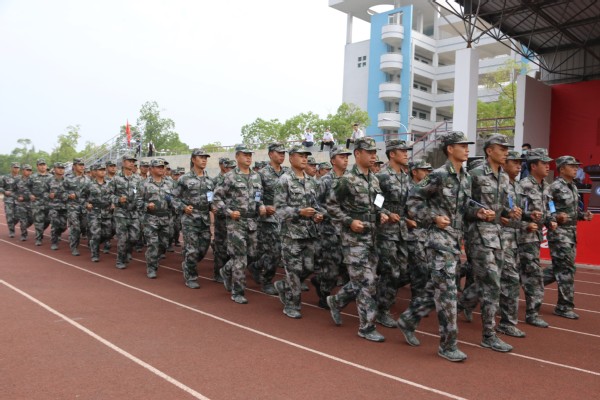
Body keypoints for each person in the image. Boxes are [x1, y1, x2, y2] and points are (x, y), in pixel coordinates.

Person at [396, 131, 487, 362]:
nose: (467, 149)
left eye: (467, 145)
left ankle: (408, 319)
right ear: (450, 149)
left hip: (455, 241)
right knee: (447, 294)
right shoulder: (437, 175)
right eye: (462, 145)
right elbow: (413, 201)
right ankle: (448, 345)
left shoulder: (465, 177)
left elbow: (464, 206)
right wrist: (433, 217)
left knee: (437, 287)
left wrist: (478, 212)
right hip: (438, 241)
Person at [326, 136, 390, 343]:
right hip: (354, 240)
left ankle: (336, 301)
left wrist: (383, 213)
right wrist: (349, 221)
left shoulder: (374, 179)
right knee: (366, 282)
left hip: (372, 237)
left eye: (374, 152)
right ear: (357, 154)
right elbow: (331, 206)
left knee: (364, 280)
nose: (373, 156)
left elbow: (378, 202)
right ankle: (366, 326)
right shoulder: (346, 180)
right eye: (369, 152)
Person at [458, 134, 517, 353]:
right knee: (491, 284)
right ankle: (489, 335)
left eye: (507, 149)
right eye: (502, 148)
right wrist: (478, 212)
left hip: (498, 237)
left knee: (492, 282)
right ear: (489, 151)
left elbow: (501, 207)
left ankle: (458, 304)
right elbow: (461, 204)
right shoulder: (474, 175)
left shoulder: (504, 177)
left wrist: (509, 211)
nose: (506, 152)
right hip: (478, 237)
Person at [213, 145, 267, 304]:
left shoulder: (256, 176)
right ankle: (238, 291)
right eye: (245, 155)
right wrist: (229, 212)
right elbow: (216, 198)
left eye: (250, 155)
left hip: (252, 222)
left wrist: (261, 205)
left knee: (252, 254)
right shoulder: (229, 177)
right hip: (236, 223)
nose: (248, 158)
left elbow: (258, 196)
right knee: (240, 257)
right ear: (237, 157)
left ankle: (226, 269)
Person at [274, 145, 323, 318]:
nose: (304, 159)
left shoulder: (311, 181)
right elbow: (279, 209)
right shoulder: (284, 180)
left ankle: (284, 286)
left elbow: (315, 205)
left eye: (306, 156)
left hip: (308, 232)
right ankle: (291, 304)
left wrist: (318, 214)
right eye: (300, 155)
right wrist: (299, 212)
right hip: (291, 233)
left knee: (309, 267)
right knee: (293, 270)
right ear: (291, 158)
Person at [543, 156, 594, 319]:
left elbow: (572, 210)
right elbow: (547, 208)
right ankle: (564, 306)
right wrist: (556, 216)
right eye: (572, 166)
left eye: (576, 166)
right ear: (562, 168)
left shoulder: (573, 186)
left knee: (561, 268)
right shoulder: (555, 187)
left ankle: (530, 282)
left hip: (571, 233)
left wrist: (583, 215)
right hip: (559, 233)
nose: (576, 168)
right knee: (566, 269)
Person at [374, 139, 413, 329]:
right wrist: (387, 213)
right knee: (390, 271)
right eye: (402, 151)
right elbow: (375, 203)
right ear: (392, 154)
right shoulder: (382, 177)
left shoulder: (405, 176)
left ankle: (380, 295)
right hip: (386, 232)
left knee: (403, 271)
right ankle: (382, 309)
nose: (406, 154)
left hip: (402, 231)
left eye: (407, 151)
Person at [518, 148, 556, 328]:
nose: (548, 166)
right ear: (533, 166)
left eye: (548, 163)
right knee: (534, 275)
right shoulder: (523, 186)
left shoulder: (546, 186)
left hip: (535, 237)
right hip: (522, 236)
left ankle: (466, 303)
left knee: (518, 275)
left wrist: (552, 220)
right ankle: (532, 314)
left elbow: (550, 208)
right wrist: (527, 220)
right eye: (544, 163)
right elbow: (514, 211)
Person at [311, 146, 352, 309]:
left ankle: (321, 281)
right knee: (331, 266)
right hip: (329, 230)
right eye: (342, 157)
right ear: (333, 160)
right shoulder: (325, 181)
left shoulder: (350, 178)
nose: (346, 159)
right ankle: (324, 293)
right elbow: (315, 202)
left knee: (345, 265)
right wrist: (327, 214)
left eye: (347, 157)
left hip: (347, 230)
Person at [172, 149, 214, 289]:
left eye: (205, 158)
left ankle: (188, 263)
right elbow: (174, 198)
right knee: (192, 250)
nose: (204, 160)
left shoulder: (209, 180)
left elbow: (211, 199)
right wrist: (183, 207)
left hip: (204, 219)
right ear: (193, 159)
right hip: (190, 219)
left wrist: (213, 207)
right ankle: (191, 276)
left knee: (203, 248)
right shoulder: (184, 179)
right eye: (201, 157)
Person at [255, 143, 289, 295]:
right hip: (269, 219)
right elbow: (256, 195)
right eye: (279, 152)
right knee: (275, 251)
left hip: (285, 217)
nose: (282, 155)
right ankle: (266, 281)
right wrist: (262, 206)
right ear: (270, 154)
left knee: (283, 251)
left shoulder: (287, 172)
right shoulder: (262, 174)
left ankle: (256, 266)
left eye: (283, 153)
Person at [404, 159, 433, 326]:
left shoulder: (428, 189)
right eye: (424, 170)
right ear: (414, 172)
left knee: (422, 269)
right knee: (420, 268)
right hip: (412, 233)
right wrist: (405, 220)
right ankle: (417, 301)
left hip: (428, 233)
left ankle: (419, 300)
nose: (428, 173)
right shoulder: (406, 188)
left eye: (429, 171)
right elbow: (395, 208)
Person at [137, 158, 175, 279]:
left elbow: (175, 199)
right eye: (158, 167)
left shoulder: (169, 184)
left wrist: (173, 203)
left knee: (164, 244)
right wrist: (146, 205)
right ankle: (151, 267)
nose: (161, 169)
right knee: (153, 244)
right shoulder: (144, 184)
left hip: (165, 218)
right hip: (150, 218)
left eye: (162, 167)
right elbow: (137, 202)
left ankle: (155, 259)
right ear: (151, 169)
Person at [109, 154, 141, 269]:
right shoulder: (116, 178)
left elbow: (141, 194)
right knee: (122, 238)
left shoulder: (138, 179)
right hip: (121, 212)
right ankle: (120, 260)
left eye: (133, 161)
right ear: (123, 162)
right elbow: (108, 195)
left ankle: (128, 252)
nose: (132, 163)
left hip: (134, 212)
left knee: (134, 237)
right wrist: (117, 199)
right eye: (129, 161)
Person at [81, 163, 114, 262]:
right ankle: (95, 254)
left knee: (107, 234)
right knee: (95, 234)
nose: (103, 172)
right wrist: (86, 204)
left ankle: (94, 243)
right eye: (100, 170)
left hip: (106, 212)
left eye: (104, 170)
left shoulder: (110, 184)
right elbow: (81, 196)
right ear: (95, 172)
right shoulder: (89, 184)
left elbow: (114, 195)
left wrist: (114, 203)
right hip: (94, 213)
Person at [211, 157, 234, 282]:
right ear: (223, 167)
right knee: (221, 245)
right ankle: (218, 272)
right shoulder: (216, 180)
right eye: (229, 167)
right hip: (221, 216)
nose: (231, 169)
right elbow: (210, 194)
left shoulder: (235, 179)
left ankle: (228, 270)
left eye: (233, 167)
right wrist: (212, 206)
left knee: (232, 245)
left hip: (234, 217)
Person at [64, 158, 89, 256]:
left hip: (84, 207)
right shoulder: (67, 178)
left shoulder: (87, 179)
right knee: (76, 227)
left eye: (83, 165)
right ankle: (74, 247)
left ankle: (75, 238)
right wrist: (68, 195)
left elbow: (91, 193)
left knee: (84, 226)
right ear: (74, 166)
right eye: (80, 165)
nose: (82, 167)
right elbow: (61, 192)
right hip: (72, 206)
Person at [28, 159, 52, 246]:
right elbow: (26, 188)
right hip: (37, 203)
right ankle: (38, 238)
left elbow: (55, 188)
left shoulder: (51, 177)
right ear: (37, 166)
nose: (42, 166)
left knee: (48, 220)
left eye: (44, 165)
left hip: (48, 203)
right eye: (40, 165)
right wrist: (30, 194)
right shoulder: (32, 177)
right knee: (38, 221)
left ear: (46, 166)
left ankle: (41, 231)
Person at [47, 162, 69, 250]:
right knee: (55, 224)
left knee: (63, 226)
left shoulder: (68, 181)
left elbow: (71, 192)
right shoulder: (49, 180)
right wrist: (48, 195)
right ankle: (54, 242)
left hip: (64, 206)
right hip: (53, 206)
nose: (61, 170)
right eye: (59, 168)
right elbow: (43, 192)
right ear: (54, 169)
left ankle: (58, 233)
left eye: (62, 168)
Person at [14, 164, 34, 241]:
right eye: (27, 170)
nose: (29, 172)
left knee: (32, 219)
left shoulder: (33, 180)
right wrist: (17, 197)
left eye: (30, 170)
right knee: (23, 220)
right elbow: (13, 191)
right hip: (21, 204)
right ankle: (23, 234)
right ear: (23, 171)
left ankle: (24, 227)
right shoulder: (17, 180)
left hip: (31, 203)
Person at [0, 162, 20, 237]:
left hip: (18, 199)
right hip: (8, 200)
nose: (16, 169)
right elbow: (0, 187)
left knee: (18, 216)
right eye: (15, 167)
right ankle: (11, 231)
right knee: (9, 216)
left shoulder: (21, 178)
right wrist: (4, 191)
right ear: (11, 168)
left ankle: (11, 224)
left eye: (17, 168)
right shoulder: (4, 177)